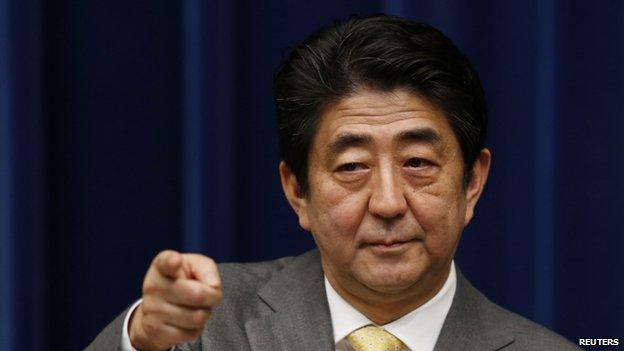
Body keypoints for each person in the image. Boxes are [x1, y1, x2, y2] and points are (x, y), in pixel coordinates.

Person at [87, 14, 581, 351]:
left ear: (472, 182)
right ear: (296, 190)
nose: (388, 203)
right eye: (351, 167)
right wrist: (148, 339)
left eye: (417, 162)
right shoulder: (210, 329)